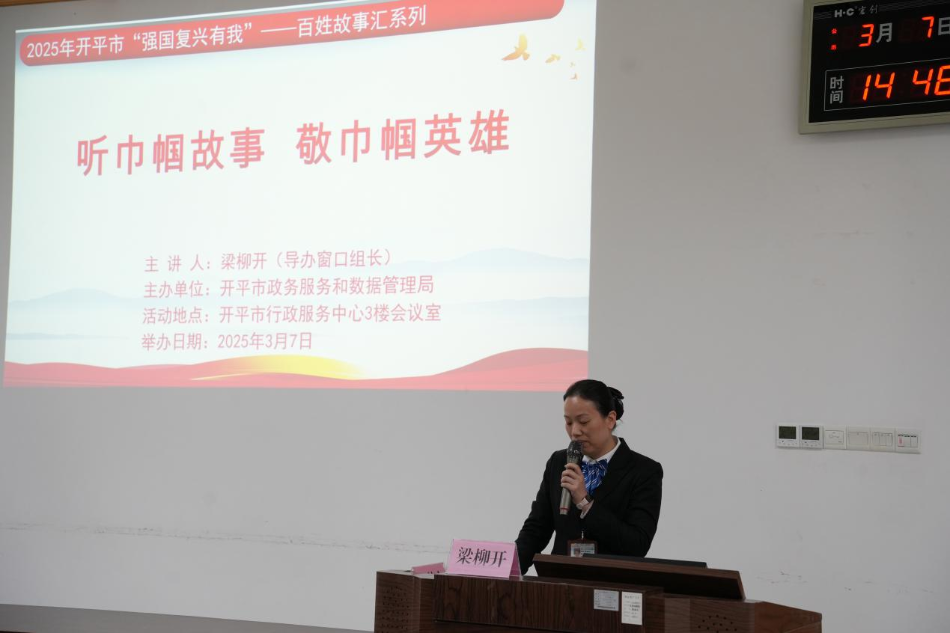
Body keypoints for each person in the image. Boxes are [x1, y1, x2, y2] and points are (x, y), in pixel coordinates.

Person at [515, 379, 663, 574]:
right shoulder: (559, 462)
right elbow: (536, 529)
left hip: (611, 583)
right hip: (559, 582)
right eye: (568, 422)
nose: (575, 432)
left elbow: (637, 544)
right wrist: (507, 569)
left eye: (583, 421)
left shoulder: (644, 471)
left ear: (610, 419)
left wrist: (585, 503)